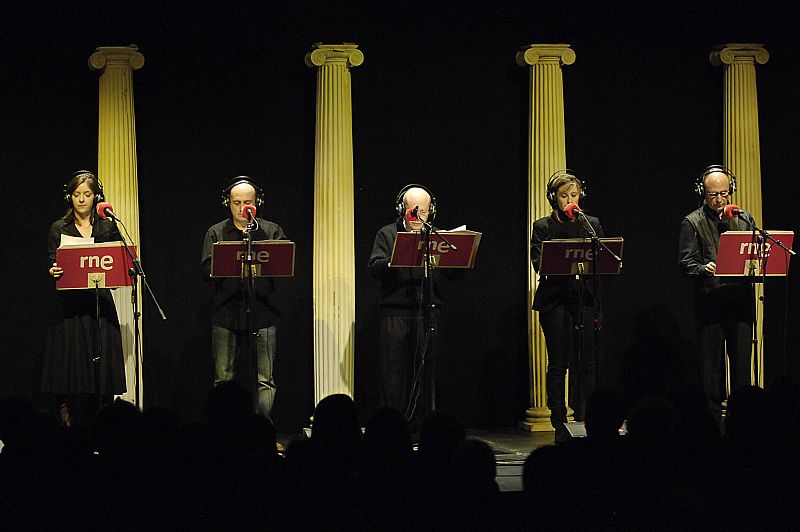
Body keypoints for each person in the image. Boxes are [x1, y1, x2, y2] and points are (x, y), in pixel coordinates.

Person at [43, 170, 127, 426]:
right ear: (69, 197)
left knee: (100, 370)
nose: (81, 200)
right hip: (71, 308)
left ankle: (102, 423)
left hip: (99, 304)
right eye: (76, 194)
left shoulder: (107, 226)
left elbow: (120, 261)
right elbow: (52, 262)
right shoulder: (60, 227)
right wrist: (53, 270)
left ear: (96, 196)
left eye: (87, 194)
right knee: (73, 368)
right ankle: (70, 420)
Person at [368, 184, 454, 424]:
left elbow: (453, 275)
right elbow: (374, 267)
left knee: (427, 372)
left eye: (423, 211)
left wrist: (459, 260)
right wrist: (393, 260)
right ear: (401, 209)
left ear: (431, 212)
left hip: (429, 310)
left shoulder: (436, 235)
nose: (417, 215)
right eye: (412, 209)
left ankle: (424, 425)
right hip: (394, 313)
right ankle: (391, 426)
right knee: (392, 374)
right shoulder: (387, 233)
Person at [201, 176, 286, 419]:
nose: (241, 208)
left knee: (265, 379)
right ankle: (224, 430)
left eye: (247, 202)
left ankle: (263, 430)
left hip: (263, 311)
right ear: (227, 203)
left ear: (256, 202)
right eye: (236, 203)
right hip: (226, 313)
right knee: (223, 378)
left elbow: (284, 264)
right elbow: (205, 269)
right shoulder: (216, 231)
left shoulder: (271, 230)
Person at [530, 170, 603, 443]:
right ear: (553, 198)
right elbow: (539, 264)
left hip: (583, 298)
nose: (570, 200)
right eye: (564, 196)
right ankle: (559, 420)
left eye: (573, 195)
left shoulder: (590, 224)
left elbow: (604, 260)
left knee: (587, 363)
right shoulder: (542, 227)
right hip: (554, 301)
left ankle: (588, 416)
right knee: (559, 363)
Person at [679, 165, 753, 421]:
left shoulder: (743, 218)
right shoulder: (692, 221)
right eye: (713, 194)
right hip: (710, 302)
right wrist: (702, 268)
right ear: (703, 192)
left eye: (724, 193)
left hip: (739, 302)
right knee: (712, 369)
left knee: (742, 365)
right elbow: (685, 263)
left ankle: (743, 418)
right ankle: (711, 421)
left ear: (730, 190)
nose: (720, 199)